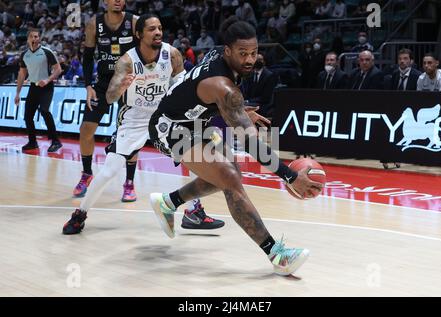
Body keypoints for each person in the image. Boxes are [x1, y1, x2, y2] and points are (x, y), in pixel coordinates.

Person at [148, 17, 323, 275]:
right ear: (228, 51)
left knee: (228, 174)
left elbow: (205, 96)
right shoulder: (225, 88)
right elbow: (250, 142)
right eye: (243, 54)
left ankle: (168, 203)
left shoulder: (221, 54)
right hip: (169, 127)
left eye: (254, 52)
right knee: (230, 178)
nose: (250, 59)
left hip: (196, 122)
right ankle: (277, 255)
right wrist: (290, 176)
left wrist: (237, 111)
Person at [62, 14, 224, 235]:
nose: (157, 32)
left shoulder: (172, 55)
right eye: (151, 29)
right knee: (110, 170)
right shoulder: (127, 61)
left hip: (165, 116)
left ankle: (194, 211)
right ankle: (80, 214)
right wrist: (119, 88)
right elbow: (109, 97)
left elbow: (185, 88)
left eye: (159, 28)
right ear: (138, 35)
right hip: (135, 118)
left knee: (195, 157)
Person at [74, 0, 139, 201]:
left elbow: (144, 52)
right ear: (105, 1)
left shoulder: (134, 22)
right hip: (102, 84)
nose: (119, 0)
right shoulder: (94, 24)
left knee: (130, 134)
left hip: (128, 83)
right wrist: (88, 86)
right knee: (86, 129)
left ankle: (129, 182)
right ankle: (87, 174)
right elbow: (87, 57)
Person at [14, 28, 63, 153]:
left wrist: (47, 80)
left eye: (36, 36)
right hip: (33, 87)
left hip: (46, 87)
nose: (35, 39)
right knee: (27, 116)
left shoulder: (47, 52)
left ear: (39, 38)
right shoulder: (24, 55)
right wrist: (18, 93)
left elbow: (58, 69)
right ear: (28, 39)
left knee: (44, 110)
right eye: (32, 36)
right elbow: (21, 74)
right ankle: (32, 142)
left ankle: (56, 141)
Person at [241, 53, 278, 117]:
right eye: (257, 59)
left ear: (264, 62)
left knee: (242, 108)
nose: (259, 61)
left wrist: (248, 101)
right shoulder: (250, 74)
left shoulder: (269, 76)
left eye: (260, 60)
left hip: (263, 104)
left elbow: (266, 98)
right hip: (251, 102)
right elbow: (246, 91)